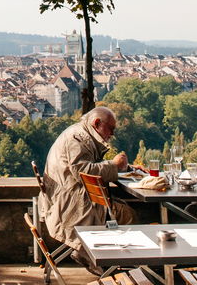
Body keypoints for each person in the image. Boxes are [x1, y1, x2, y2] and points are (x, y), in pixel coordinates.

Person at [41, 106, 136, 271]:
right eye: (110, 128)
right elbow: (82, 170)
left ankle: (97, 257)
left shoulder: (79, 133)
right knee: (127, 215)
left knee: (122, 209)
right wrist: (114, 166)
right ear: (97, 123)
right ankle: (119, 263)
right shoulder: (78, 138)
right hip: (72, 203)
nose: (112, 133)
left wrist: (126, 168)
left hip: (65, 198)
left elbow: (88, 167)